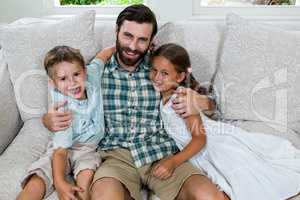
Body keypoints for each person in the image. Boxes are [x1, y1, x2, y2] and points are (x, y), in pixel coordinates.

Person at [43, 4, 225, 200]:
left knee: (209, 196)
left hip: (161, 152)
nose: (132, 46)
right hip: (115, 157)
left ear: (151, 41)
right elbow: (69, 96)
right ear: (117, 31)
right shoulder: (93, 72)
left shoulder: (160, 66)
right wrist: (47, 119)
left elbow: (210, 99)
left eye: (141, 40)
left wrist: (205, 102)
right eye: (127, 36)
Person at [150, 43, 300, 200]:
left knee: (245, 179)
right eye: (154, 70)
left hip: (211, 144)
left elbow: (199, 139)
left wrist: (173, 161)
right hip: (195, 148)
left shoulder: (182, 100)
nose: (157, 77)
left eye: (165, 73)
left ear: (179, 77)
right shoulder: (164, 95)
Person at [17, 45, 114, 200]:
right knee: (37, 180)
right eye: (63, 79)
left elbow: (103, 55)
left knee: (86, 178)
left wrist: (119, 47)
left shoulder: (93, 75)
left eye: (76, 74)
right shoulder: (62, 109)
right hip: (60, 150)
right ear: (53, 83)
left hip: (88, 150)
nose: (73, 83)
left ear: (85, 71)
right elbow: (60, 152)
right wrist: (60, 182)